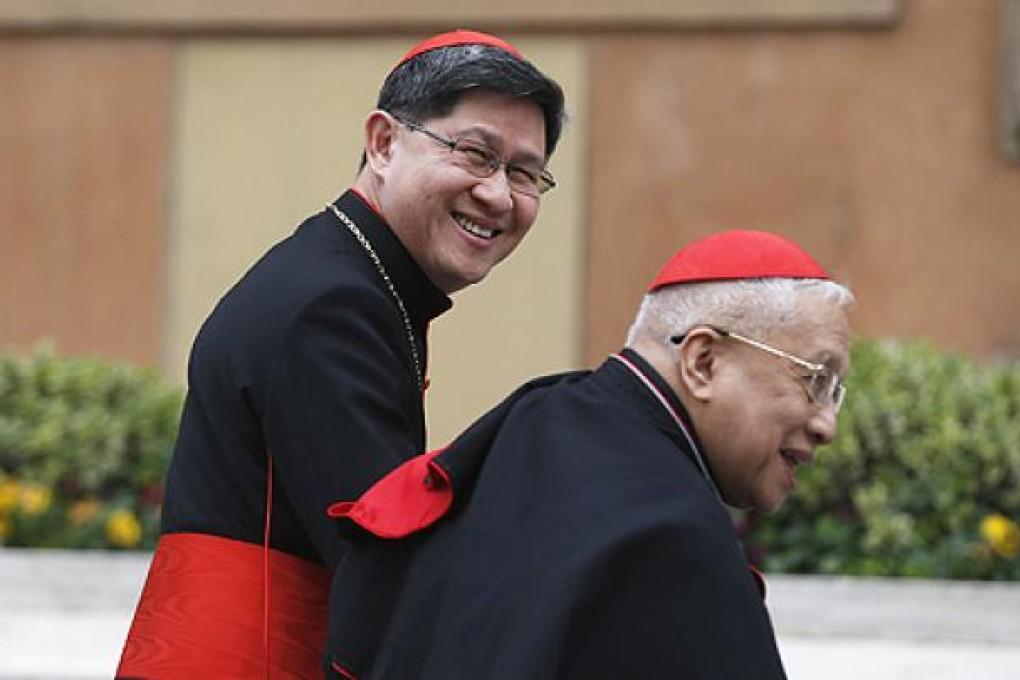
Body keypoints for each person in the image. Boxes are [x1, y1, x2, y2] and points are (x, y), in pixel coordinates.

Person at [117, 29, 566, 679]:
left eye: (524, 173)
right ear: (383, 143)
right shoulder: (331, 306)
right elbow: (390, 562)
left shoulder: (347, 279)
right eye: (475, 154)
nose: (499, 194)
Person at [322, 230, 854, 679]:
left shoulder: (537, 418)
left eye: (837, 391)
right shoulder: (672, 532)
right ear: (704, 361)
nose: (826, 424)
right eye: (815, 379)